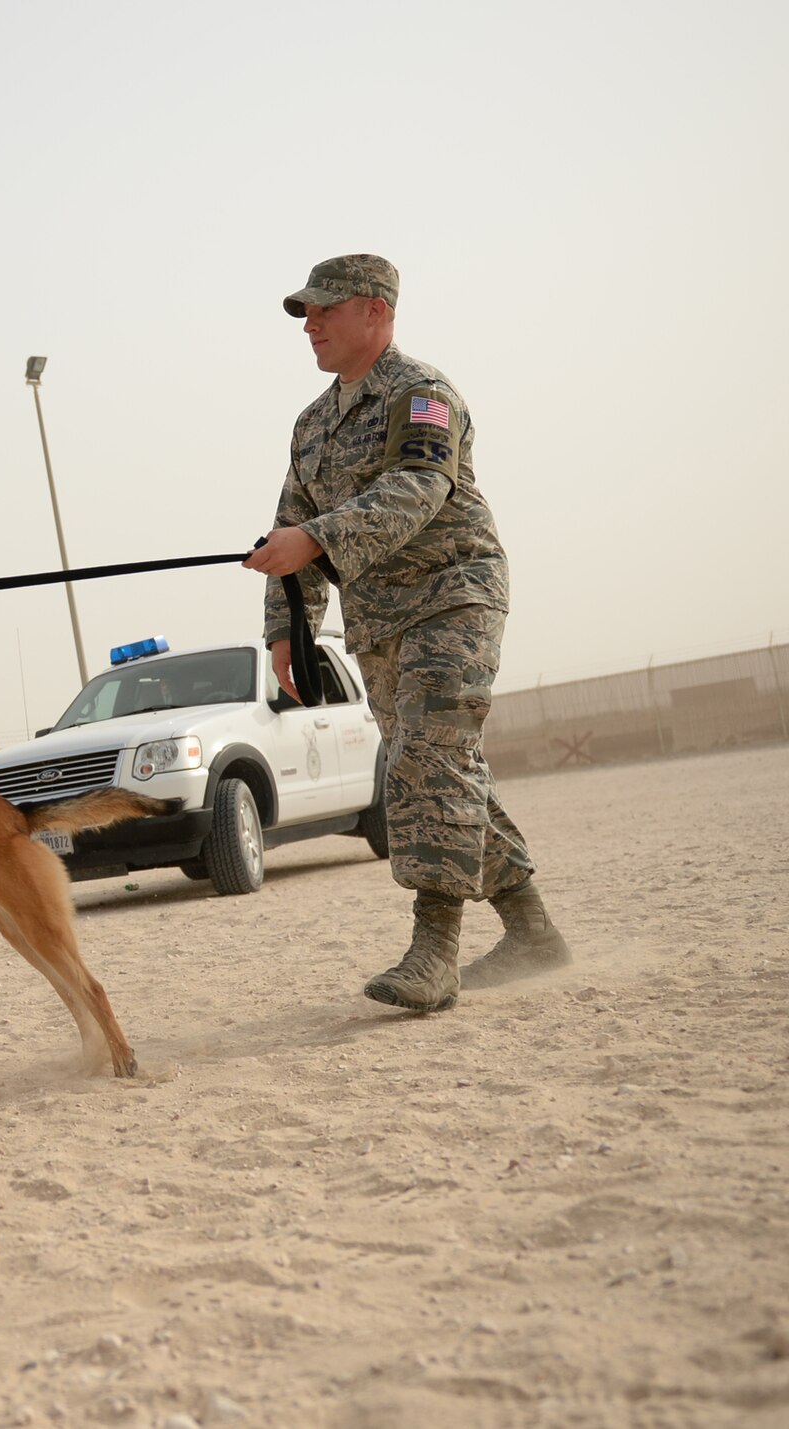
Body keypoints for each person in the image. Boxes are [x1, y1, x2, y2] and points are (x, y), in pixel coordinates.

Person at [243, 254, 572, 1013]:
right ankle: (531, 929)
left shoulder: (422, 395)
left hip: (453, 594)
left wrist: (317, 540)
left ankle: (435, 949)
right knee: (444, 767)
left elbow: (417, 488)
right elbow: (290, 530)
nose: (311, 324)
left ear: (377, 312)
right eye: (304, 313)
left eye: (325, 309)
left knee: (426, 759)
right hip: (381, 619)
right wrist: (288, 631)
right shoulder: (314, 423)